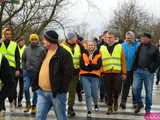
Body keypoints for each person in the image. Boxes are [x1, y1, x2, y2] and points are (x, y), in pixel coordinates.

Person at [35, 30, 73, 120]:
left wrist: (61, 90)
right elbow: (39, 69)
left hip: (57, 94)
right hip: (42, 92)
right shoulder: (43, 52)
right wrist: (35, 85)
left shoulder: (64, 54)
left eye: (45, 39)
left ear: (50, 41)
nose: (43, 41)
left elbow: (68, 74)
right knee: (39, 117)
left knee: (61, 117)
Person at [99, 31, 126, 114]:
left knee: (117, 89)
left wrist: (124, 73)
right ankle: (110, 106)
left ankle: (116, 99)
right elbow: (100, 61)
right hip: (106, 73)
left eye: (110, 37)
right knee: (108, 91)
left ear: (114, 38)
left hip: (117, 72)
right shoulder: (102, 48)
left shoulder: (119, 47)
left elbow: (123, 61)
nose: (109, 39)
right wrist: (101, 71)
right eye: (107, 38)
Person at [132, 32, 160, 113]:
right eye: (142, 37)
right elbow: (136, 57)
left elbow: (158, 61)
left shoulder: (154, 48)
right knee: (135, 88)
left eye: (144, 37)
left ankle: (148, 109)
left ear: (149, 39)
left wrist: (152, 69)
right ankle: (139, 103)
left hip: (148, 72)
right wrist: (135, 68)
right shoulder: (139, 46)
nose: (142, 39)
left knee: (149, 91)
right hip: (138, 71)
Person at [22, 33, 45, 114]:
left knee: (35, 91)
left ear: (37, 40)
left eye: (35, 39)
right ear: (30, 40)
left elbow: (44, 61)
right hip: (27, 73)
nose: (34, 41)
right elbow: (23, 59)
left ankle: (34, 106)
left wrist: (41, 72)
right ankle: (28, 103)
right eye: (32, 39)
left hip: (36, 74)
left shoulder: (41, 50)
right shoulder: (26, 49)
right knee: (25, 88)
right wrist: (24, 69)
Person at [0, 27, 20, 111]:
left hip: (12, 68)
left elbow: (17, 57)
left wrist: (18, 69)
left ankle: (12, 101)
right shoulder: (1, 43)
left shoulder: (14, 44)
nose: (8, 36)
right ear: (4, 35)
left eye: (10, 34)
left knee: (12, 87)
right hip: (2, 67)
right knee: (2, 87)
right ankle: (2, 106)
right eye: (6, 34)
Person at [61, 32, 81, 116]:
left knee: (72, 91)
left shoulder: (78, 46)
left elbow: (80, 58)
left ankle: (70, 108)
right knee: (63, 91)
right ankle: (61, 107)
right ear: (70, 39)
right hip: (64, 73)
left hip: (75, 72)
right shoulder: (62, 46)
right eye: (75, 38)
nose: (76, 39)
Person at [80, 40, 101, 117]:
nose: (90, 46)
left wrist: (88, 65)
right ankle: (89, 110)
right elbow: (82, 65)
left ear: (94, 46)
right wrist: (91, 67)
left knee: (94, 93)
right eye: (89, 45)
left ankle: (96, 104)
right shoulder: (83, 54)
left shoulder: (98, 54)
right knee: (88, 94)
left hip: (95, 77)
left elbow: (98, 66)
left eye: (92, 45)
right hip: (85, 76)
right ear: (87, 46)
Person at [120, 31, 140, 109]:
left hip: (135, 70)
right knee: (125, 86)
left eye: (130, 38)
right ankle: (123, 101)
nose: (128, 39)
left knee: (135, 87)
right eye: (127, 38)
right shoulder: (122, 46)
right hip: (125, 70)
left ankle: (135, 102)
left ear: (133, 38)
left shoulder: (138, 45)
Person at [17, 37, 26, 107]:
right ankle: (14, 99)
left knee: (22, 86)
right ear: (18, 42)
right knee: (13, 85)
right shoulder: (15, 47)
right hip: (15, 69)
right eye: (21, 41)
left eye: (23, 41)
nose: (22, 42)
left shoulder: (26, 49)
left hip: (23, 69)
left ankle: (19, 100)